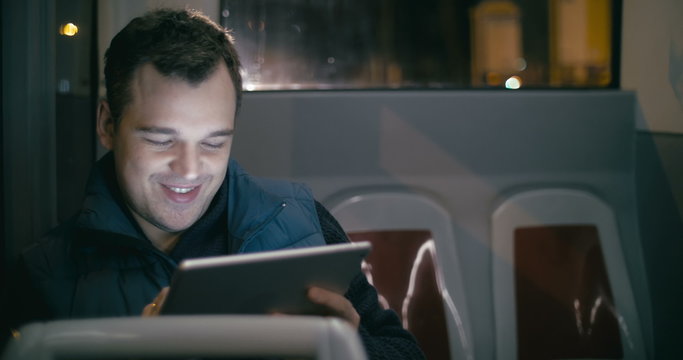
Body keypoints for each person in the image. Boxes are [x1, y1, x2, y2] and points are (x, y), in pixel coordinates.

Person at [4, 8, 425, 360]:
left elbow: (404, 352)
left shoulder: (303, 220)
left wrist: (353, 348)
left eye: (212, 142)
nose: (189, 170)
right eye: (160, 139)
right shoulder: (46, 276)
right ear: (108, 125)